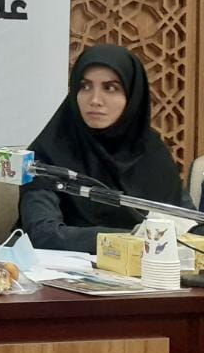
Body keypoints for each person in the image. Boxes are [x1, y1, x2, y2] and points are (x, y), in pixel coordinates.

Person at [19, 43, 187, 252]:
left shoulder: (152, 155)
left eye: (110, 88)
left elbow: (189, 227)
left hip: (148, 269)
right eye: (85, 86)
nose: (95, 100)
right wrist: (134, 240)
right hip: (60, 270)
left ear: (132, 96)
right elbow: (43, 234)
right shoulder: (47, 154)